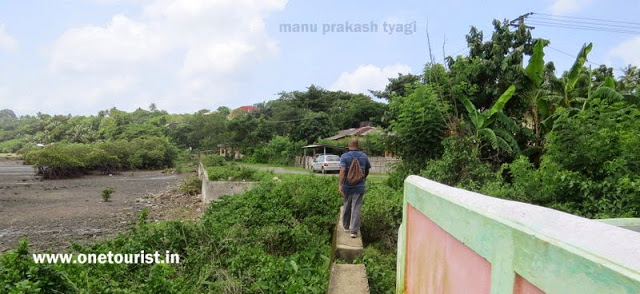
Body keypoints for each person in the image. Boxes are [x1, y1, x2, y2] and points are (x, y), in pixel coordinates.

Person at [338, 138, 371, 238]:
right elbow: (367, 170)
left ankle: (346, 226)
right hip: (359, 186)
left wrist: (340, 184)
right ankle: (354, 231)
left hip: (347, 186)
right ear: (358, 146)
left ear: (349, 145)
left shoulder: (344, 156)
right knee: (356, 207)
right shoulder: (364, 156)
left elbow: (343, 171)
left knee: (347, 204)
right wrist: (363, 179)